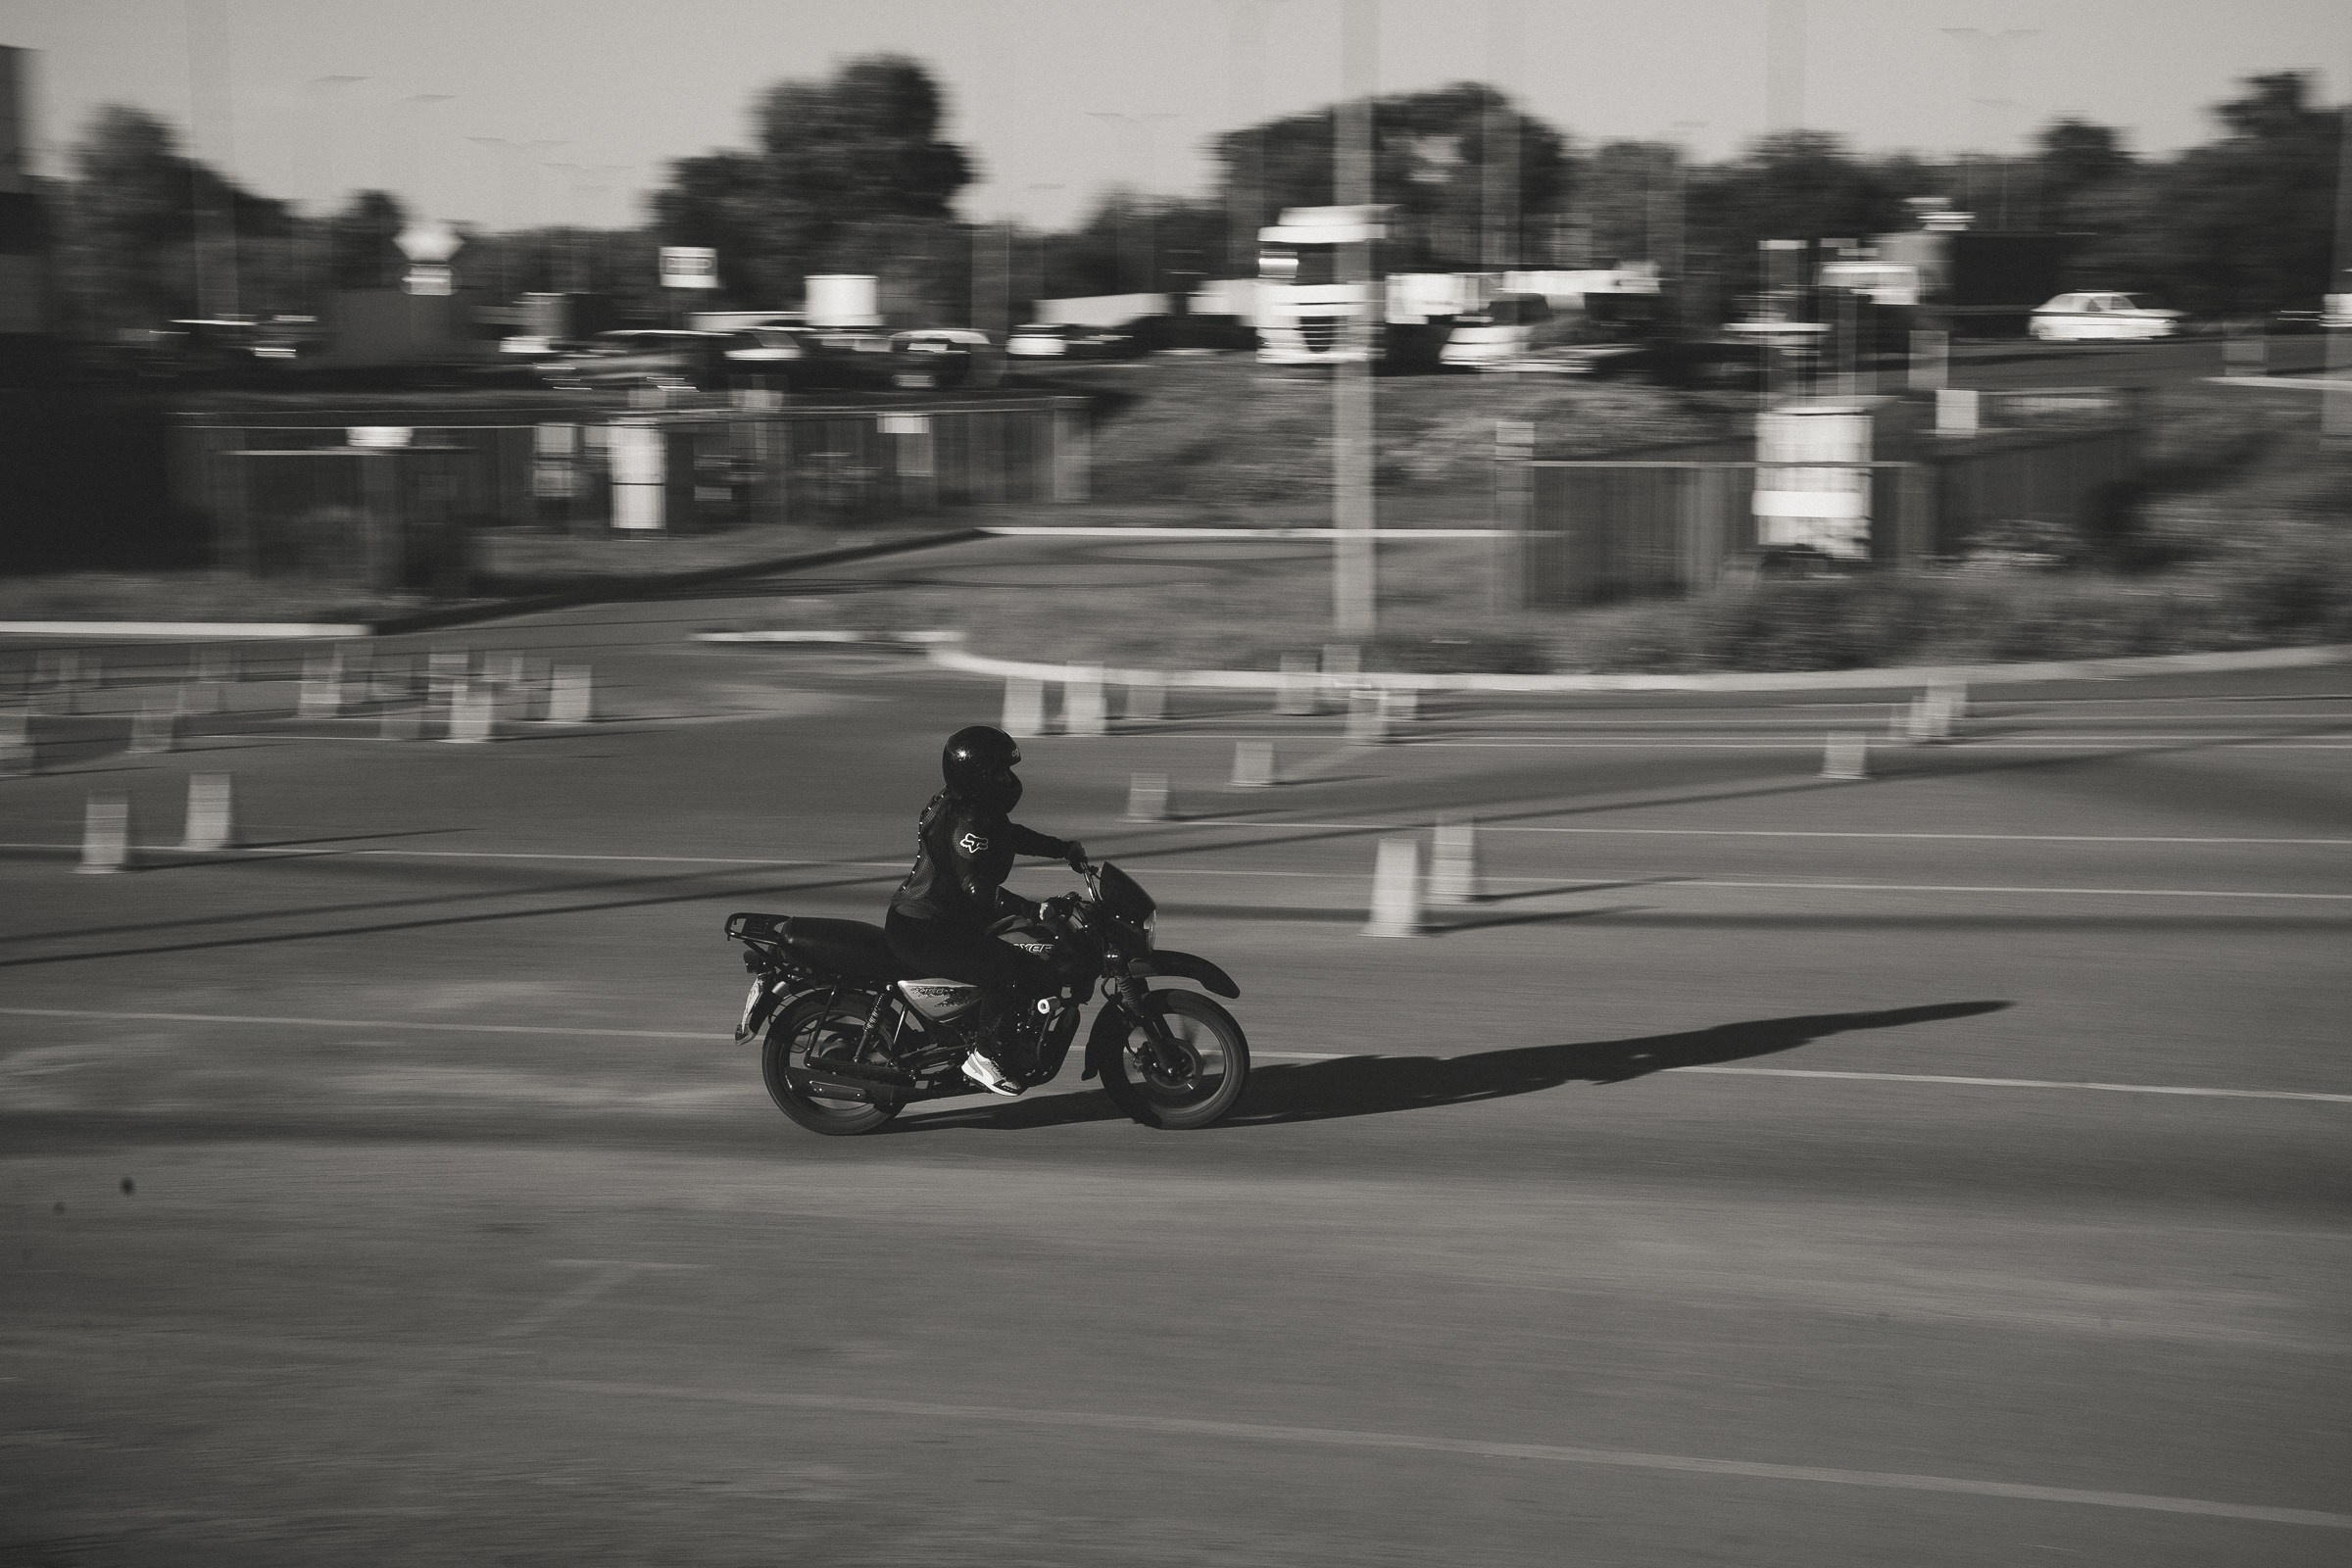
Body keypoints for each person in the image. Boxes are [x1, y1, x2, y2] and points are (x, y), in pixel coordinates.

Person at [886, 724, 1088, 1096]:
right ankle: (983, 1056)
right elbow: (974, 886)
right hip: (925, 930)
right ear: (977, 776)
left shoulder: (974, 809)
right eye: (1000, 772)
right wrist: (1033, 908)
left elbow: (1009, 836)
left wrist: (1062, 848)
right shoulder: (968, 818)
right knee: (1009, 969)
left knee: (1030, 950)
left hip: (949, 919)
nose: (1009, 780)